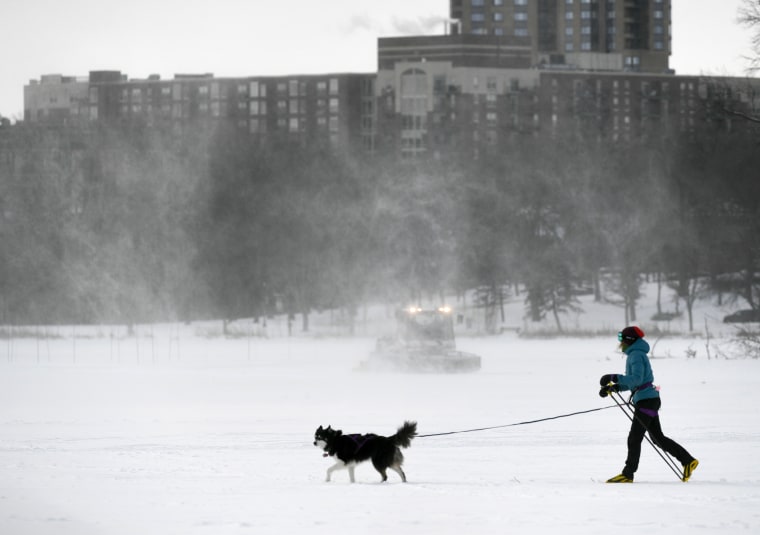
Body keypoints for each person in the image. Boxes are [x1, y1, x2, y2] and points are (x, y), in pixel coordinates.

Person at [599, 326, 699, 483]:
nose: (620, 343)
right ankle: (687, 461)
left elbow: (636, 379)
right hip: (649, 400)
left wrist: (613, 377)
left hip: (647, 401)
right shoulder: (635, 354)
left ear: (629, 340)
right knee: (657, 438)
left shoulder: (636, 356)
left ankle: (628, 474)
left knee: (634, 438)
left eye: (622, 339)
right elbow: (633, 382)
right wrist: (615, 387)